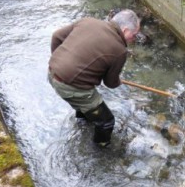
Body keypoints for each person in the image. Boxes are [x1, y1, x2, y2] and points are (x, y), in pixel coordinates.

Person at [48, 9, 140, 147]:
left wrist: (59, 60)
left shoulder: (88, 21)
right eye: (134, 35)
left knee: (86, 104)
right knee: (107, 121)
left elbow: (56, 36)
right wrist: (118, 81)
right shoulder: (120, 50)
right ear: (125, 30)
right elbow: (110, 83)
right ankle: (101, 150)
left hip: (51, 72)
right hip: (71, 86)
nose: (134, 39)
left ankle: (83, 123)